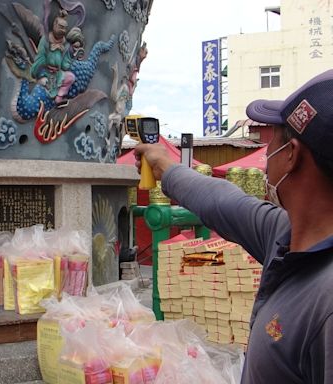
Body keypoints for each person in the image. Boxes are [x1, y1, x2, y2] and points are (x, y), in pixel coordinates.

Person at [134, 69, 333, 383]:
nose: (266, 154)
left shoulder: (326, 301)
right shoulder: (286, 234)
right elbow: (223, 203)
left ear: (291, 154)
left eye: (272, 142)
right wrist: (166, 168)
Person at [30, 9, 76, 105]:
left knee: (70, 77)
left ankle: (59, 98)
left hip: (57, 75)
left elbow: (64, 65)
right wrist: (37, 72)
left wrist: (70, 54)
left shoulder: (65, 44)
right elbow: (40, 57)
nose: (63, 30)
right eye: (60, 27)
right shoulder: (46, 40)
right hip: (45, 73)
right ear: (54, 25)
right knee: (43, 84)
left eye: (65, 28)